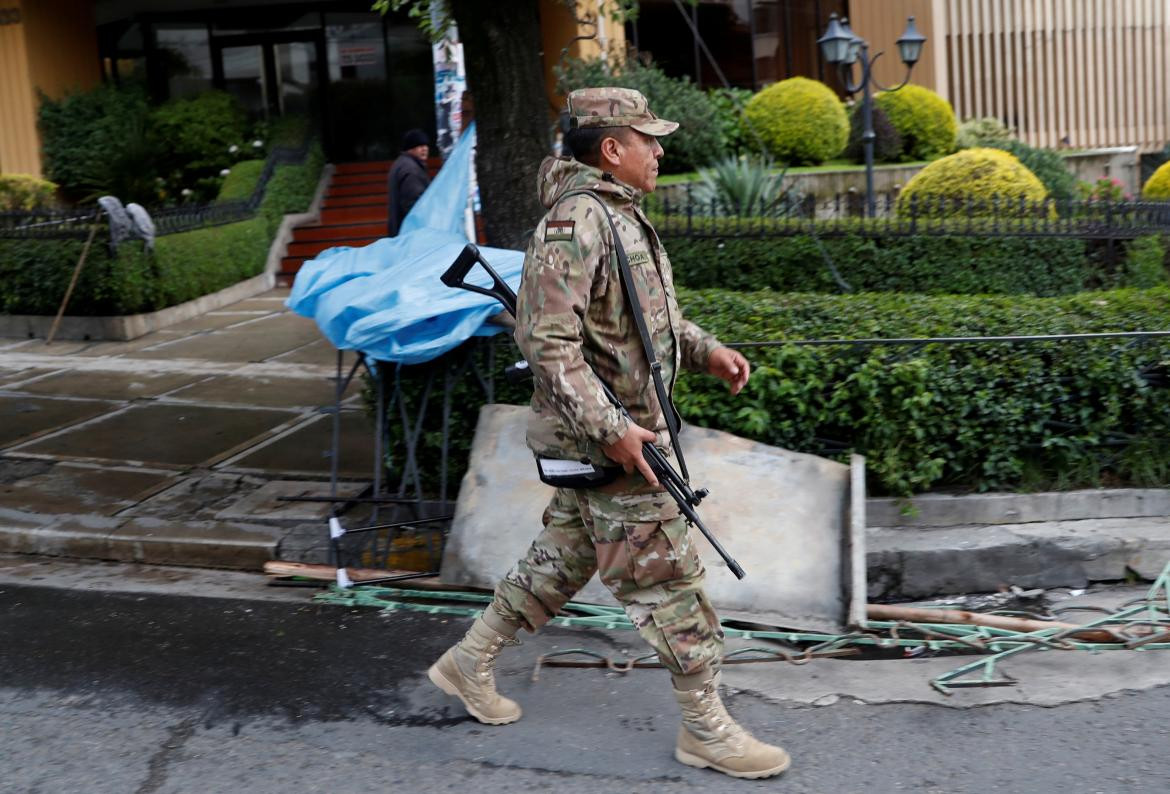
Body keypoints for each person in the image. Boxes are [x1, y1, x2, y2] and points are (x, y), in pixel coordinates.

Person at [427, 87, 789, 780]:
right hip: (609, 444)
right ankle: (705, 729)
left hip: (615, 437)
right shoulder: (576, 224)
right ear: (611, 149)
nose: (659, 149)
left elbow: (643, 322)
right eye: (646, 138)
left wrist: (705, 349)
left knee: (561, 560)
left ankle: (468, 661)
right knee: (668, 580)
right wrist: (615, 428)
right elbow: (547, 344)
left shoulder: (618, 216)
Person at [386, 128, 431, 237]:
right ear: (409, 149)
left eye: (426, 145)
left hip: (400, 232)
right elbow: (414, 205)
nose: (424, 149)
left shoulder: (402, 164)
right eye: (419, 146)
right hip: (410, 234)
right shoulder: (411, 170)